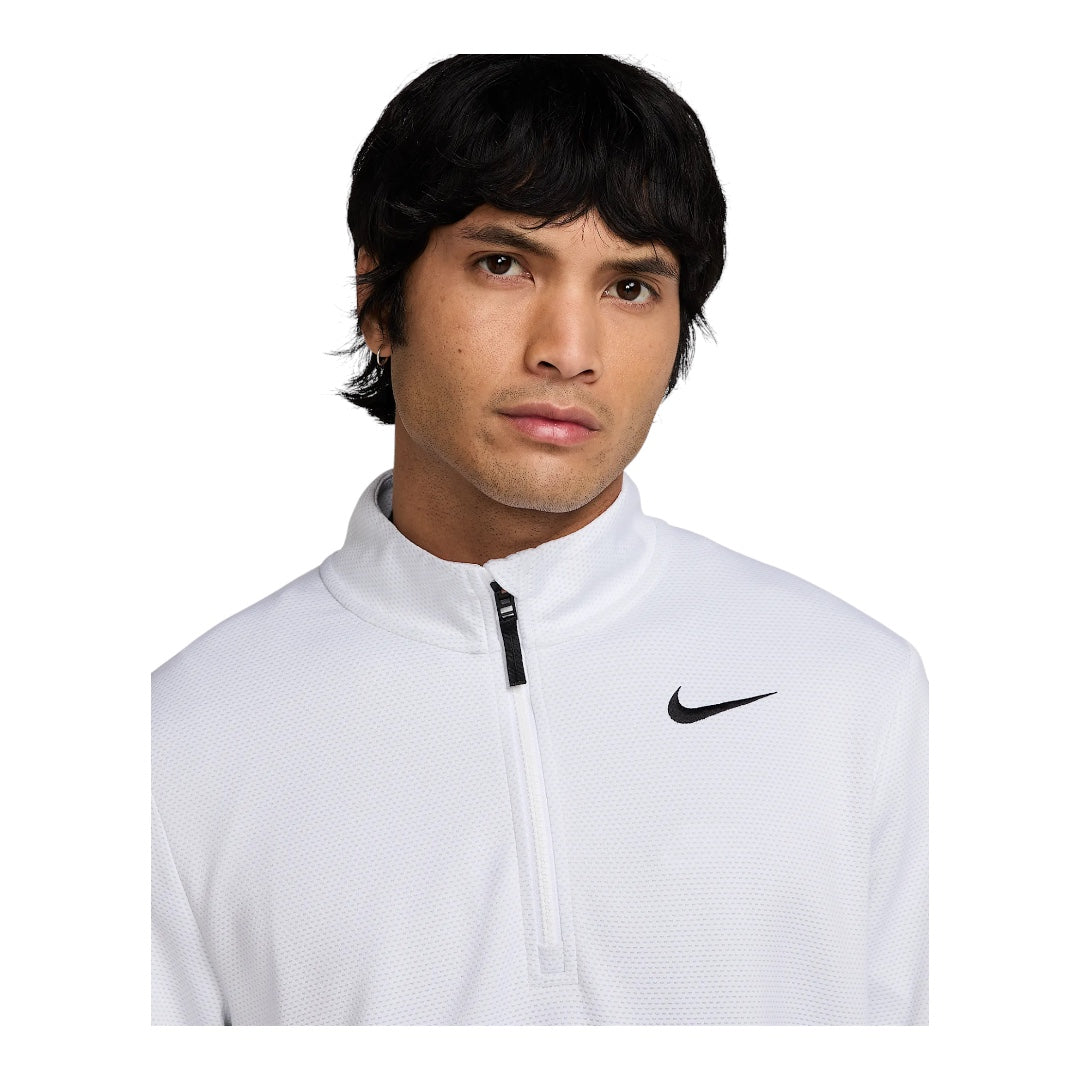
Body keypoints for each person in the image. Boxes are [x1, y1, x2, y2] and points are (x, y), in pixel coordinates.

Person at [151, 53, 928, 1026]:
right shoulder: (180, 739)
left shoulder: (858, 689)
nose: (568, 350)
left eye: (630, 286)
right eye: (504, 265)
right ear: (379, 299)